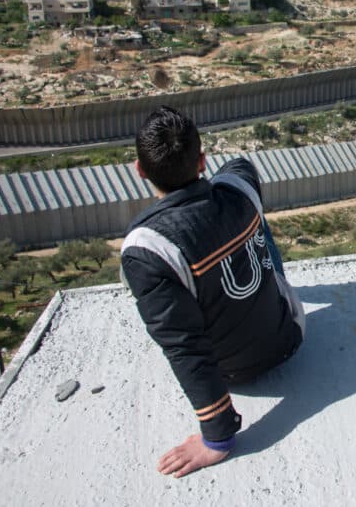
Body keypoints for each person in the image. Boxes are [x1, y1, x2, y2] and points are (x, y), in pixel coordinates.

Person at [120, 105, 305, 477]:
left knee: (172, 294)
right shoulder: (238, 186)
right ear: (202, 160)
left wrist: (216, 439)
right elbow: (239, 166)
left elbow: (184, 346)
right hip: (290, 334)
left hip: (233, 372)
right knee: (251, 218)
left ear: (139, 170)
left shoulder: (146, 247)